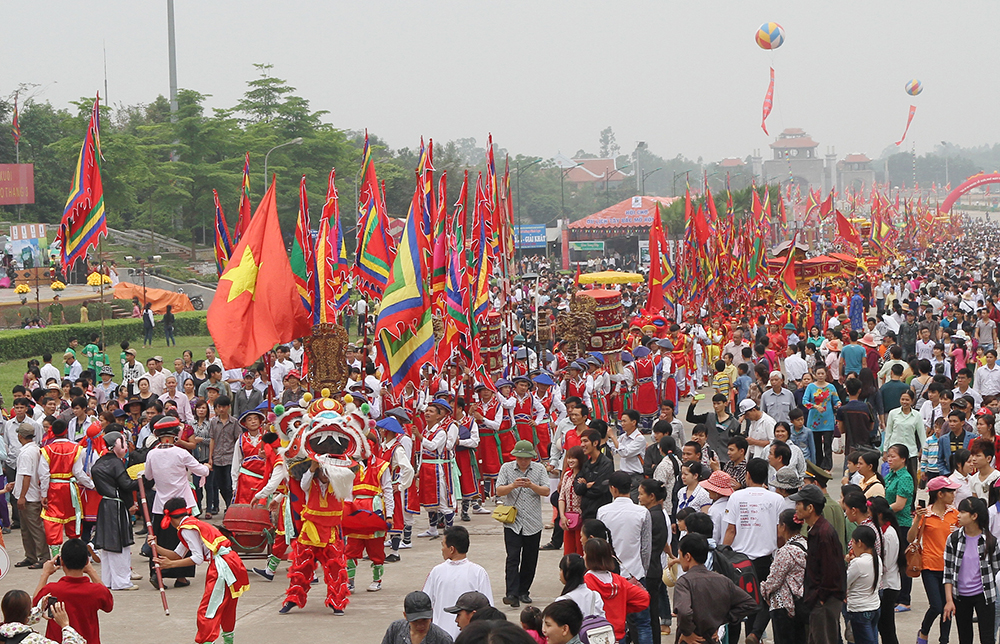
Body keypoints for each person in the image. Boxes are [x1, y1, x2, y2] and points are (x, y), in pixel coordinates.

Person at [151, 497, 249, 644]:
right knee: (227, 606)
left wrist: (171, 565)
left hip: (221, 566)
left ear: (170, 518)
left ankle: (207, 641)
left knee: (208, 610)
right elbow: (177, 555)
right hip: (231, 562)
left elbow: (196, 558)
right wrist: (156, 547)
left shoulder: (187, 529)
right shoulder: (191, 525)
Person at [142, 416, 208, 588]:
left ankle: (157, 573)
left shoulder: (152, 453)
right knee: (184, 540)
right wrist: (206, 467)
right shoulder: (181, 453)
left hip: (161, 504)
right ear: (174, 436)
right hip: (181, 506)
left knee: (158, 541)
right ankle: (180, 577)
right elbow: (201, 470)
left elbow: (148, 476)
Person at [723, 458, 783, 644]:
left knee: (736, 602)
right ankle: (755, 634)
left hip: (739, 561)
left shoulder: (736, 497)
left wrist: (723, 555)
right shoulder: (776, 499)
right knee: (761, 600)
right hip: (765, 560)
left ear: (747, 475)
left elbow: (731, 530)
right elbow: (780, 533)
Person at [597, 471, 652, 644]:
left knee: (614, 624)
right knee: (643, 623)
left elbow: (601, 544)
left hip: (611, 577)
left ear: (613, 489)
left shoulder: (603, 512)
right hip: (636, 574)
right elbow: (646, 548)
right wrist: (643, 572)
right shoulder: (642, 512)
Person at [672, 533, 758, 644]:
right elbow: (750, 603)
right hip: (712, 638)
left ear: (687, 556)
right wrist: (722, 620)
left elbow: (684, 612)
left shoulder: (684, 582)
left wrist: (688, 633)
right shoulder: (722, 580)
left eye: (680, 555)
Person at [496, 440, 550, 608]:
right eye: (520, 458)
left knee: (529, 558)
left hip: (533, 522)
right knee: (512, 557)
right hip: (513, 521)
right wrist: (513, 485)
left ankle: (523, 591)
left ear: (531, 458)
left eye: (526, 458)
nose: (523, 461)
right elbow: (498, 490)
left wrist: (531, 485)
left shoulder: (540, 469)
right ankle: (511, 593)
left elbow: (546, 490)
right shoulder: (506, 468)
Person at [791, 484, 846, 644]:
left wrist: (820, 598)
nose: (796, 508)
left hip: (825, 601)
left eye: (798, 504)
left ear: (810, 508)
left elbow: (832, 571)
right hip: (820, 599)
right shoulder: (815, 529)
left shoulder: (823, 533)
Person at [31, 538, 114, 644]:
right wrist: (91, 571)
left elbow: (35, 606)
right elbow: (108, 605)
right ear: (86, 561)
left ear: (61, 561)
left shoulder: (52, 590)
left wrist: (45, 574)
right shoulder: (96, 590)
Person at [910, 475, 961, 644]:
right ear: (940, 494)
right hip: (930, 566)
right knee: (937, 606)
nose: (953, 494)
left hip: (950, 568)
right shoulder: (926, 514)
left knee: (948, 607)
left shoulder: (955, 514)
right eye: (950, 491)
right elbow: (911, 538)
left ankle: (944, 640)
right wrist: (917, 518)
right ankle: (924, 630)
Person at [943, 496, 1000, 644]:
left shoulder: (990, 541)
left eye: (963, 512)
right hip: (960, 596)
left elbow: (995, 570)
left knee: (987, 638)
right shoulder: (954, 539)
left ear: (974, 516)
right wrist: (949, 600)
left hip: (984, 596)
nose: (958, 515)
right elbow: (948, 572)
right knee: (965, 638)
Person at [422, 526, 494, 640]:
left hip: (440, 637)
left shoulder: (437, 572)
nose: (442, 549)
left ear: (451, 549)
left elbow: (425, 604)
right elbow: (488, 610)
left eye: (443, 545)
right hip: (470, 637)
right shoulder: (478, 572)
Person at [90, 430, 140, 591]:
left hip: (105, 504)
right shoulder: (116, 463)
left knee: (107, 546)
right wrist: (143, 480)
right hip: (116, 506)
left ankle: (109, 580)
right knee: (119, 544)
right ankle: (122, 581)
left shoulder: (99, 463)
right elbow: (126, 484)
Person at [39, 419, 95, 559]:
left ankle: (56, 556)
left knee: (53, 519)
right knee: (73, 518)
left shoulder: (46, 450)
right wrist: (92, 485)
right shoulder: (76, 448)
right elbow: (78, 472)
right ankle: (74, 554)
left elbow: (44, 475)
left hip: (53, 489)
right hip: (70, 489)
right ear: (66, 431)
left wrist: (43, 494)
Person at [583, 538, 649, 642]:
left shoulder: (586, 582)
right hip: (618, 635)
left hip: (595, 635)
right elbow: (644, 598)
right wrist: (622, 608)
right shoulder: (619, 581)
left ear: (589, 557)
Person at [760, 509, 808, 644]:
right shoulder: (805, 545)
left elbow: (774, 581)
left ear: (784, 526)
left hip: (783, 605)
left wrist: (763, 589)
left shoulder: (786, 552)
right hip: (800, 602)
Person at [637, 478, 669, 644]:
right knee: (652, 612)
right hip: (655, 567)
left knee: (648, 615)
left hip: (649, 570)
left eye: (642, 494)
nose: (639, 497)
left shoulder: (651, 516)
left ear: (652, 496)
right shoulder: (657, 514)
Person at [13, 421, 47, 569]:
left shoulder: (27, 453)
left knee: (34, 528)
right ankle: (31, 556)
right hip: (30, 493)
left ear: (20, 436)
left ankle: (43, 556)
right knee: (26, 529)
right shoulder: (35, 449)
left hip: (29, 496)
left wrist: (22, 496)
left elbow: (27, 475)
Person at [0, 589, 86, 644]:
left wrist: (39, 609)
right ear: (28, 613)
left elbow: (17, 621)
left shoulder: (3, 633)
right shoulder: (35, 640)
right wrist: (65, 626)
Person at [845, 526, 882, 644]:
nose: (852, 546)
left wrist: (849, 563)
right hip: (874, 607)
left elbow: (844, 583)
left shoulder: (858, 563)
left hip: (859, 610)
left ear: (859, 543)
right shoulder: (877, 560)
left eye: (853, 543)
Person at [803, 365, 842, 470]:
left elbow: (836, 399)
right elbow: (805, 401)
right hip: (814, 421)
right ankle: (818, 466)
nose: (820, 376)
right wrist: (815, 406)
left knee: (828, 446)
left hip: (828, 421)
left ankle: (828, 467)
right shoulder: (811, 387)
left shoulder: (831, 387)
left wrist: (838, 404)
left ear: (826, 374)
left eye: (822, 373)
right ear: (815, 375)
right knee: (816, 446)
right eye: (818, 373)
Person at [381, 591, 454, 644]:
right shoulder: (395, 629)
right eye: (415, 621)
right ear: (405, 616)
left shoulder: (443, 640)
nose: (420, 626)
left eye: (425, 620)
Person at [207, 396, 239, 515]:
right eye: (219, 407)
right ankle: (228, 504)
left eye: (223, 407)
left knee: (229, 484)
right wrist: (210, 457)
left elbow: (237, 439)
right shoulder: (213, 422)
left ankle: (230, 507)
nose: (221, 409)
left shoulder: (234, 422)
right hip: (217, 457)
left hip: (230, 457)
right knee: (220, 484)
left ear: (228, 407)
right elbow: (212, 440)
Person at [574, 429, 613, 521]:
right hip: (586, 513)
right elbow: (577, 488)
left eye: (585, 441)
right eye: (581, 441)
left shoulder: (606, 464)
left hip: (601, 513)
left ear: (595, 443)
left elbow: (600, 489)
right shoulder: (586, 464)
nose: (582, 445)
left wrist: (584, 488)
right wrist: (586, 486)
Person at [555, 553, 605, 618]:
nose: (560, 573)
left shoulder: (562, 601)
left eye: (561, 570)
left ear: (567, 573)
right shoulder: (595, 596)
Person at [558, 445, 585, 556]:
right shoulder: (567, 475)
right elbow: (562, 497)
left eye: (573, 458)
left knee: (580, 550)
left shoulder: (584, 475)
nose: (570, 461)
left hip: (581, 517)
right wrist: (562, 516)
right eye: (568, 458)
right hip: (568, 518)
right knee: (568, 551)